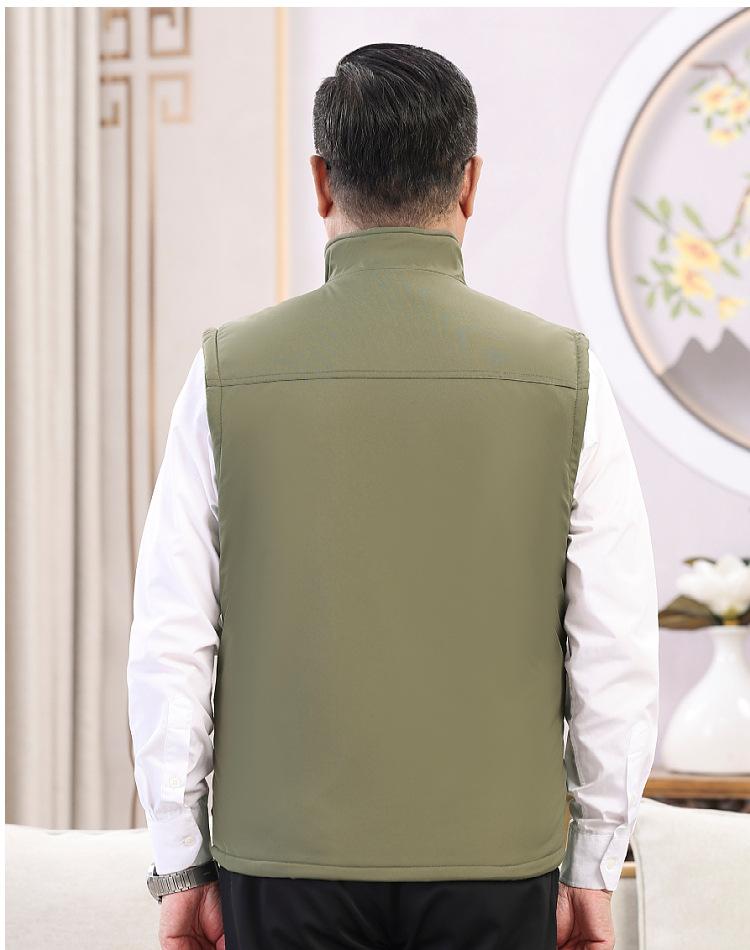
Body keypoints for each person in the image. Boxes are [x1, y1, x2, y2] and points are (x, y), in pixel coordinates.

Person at [127, 42, 659, 950]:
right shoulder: (566, 376)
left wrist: (182, 863)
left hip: (282, 867)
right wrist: (594, 864)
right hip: (498, 865)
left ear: (321, 181)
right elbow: (614, 647)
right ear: (470, 182)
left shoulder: (225, 372)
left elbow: (173, 639)